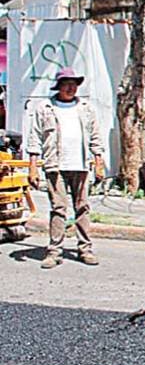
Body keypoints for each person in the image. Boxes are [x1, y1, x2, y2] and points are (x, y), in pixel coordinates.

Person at [25, 67, 105, 269]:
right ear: (59, 86)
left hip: (81, 166)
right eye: (66, 84)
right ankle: (54, 252)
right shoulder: (45, 108)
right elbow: (35, 139)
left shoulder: (86, 108)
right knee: (58, 209)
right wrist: (32, 168)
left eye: (74, 84)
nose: (70, 88)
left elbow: (96, 138)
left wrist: (99, 164)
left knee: (82, 208)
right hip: (56, 166)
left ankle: (85, 249)